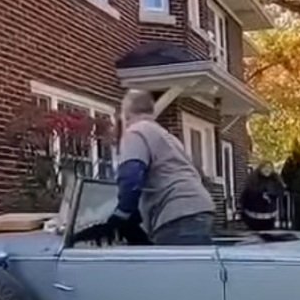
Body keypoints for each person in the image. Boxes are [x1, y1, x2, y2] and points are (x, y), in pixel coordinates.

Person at [80, 90, 216, 246]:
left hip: (176, 213)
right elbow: (195, 173)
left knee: (176, 269)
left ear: (126, 114)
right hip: (198, 208)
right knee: (194, 268)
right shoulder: (166, 136)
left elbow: (131, 175)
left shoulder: (136, 131)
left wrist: (121, 215)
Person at [239, 161, 285, 231]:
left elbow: (279, 191)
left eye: (269, 168)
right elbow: (246, 195)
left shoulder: (275, 180)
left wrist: (270, 195)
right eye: (265, 167)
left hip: (269, 215)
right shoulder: (253, 180)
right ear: (260, 169)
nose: (267, 169)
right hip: (253, 215)